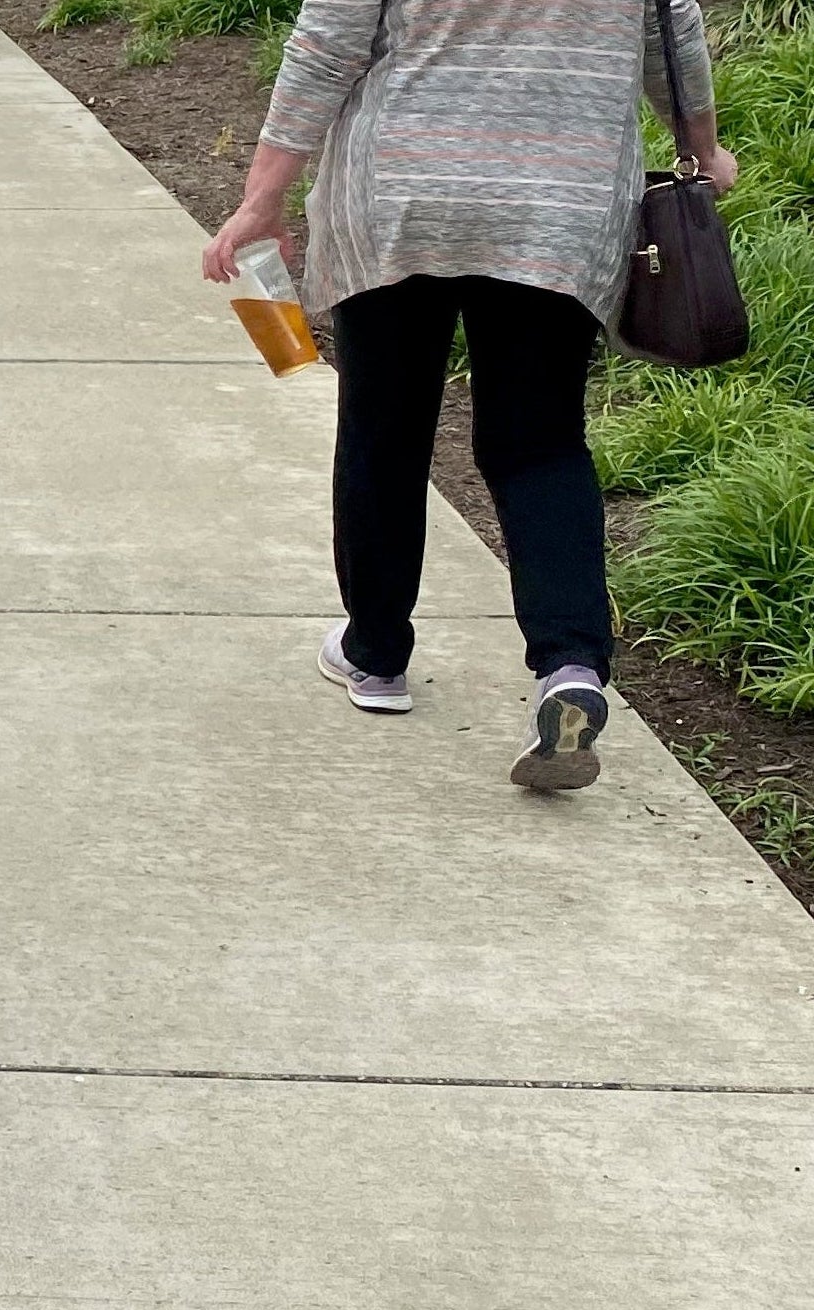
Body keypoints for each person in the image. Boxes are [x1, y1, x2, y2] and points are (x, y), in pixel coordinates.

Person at [202, 0, 737, 790]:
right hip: (559, 205)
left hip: (400, 195)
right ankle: (569, 666)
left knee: (384, 429)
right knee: (540, 441)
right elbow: (672, 31)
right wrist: (704, 149)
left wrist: (260, 199)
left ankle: (376, 654)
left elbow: (326, 46)